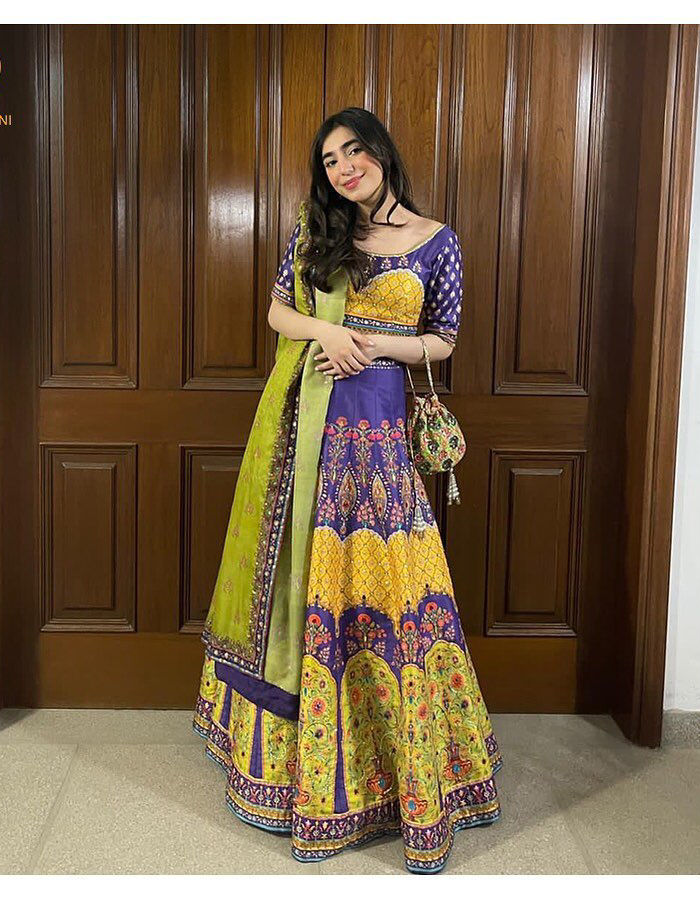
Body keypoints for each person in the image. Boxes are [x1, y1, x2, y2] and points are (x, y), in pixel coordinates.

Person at [193, 106, 502, 874]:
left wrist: (366, 344)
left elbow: (443, 340)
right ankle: (290, 768)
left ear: (381, 153)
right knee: (306, 582)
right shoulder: (316, 230)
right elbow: (278, 311)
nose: (342, 168)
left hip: (380, 433)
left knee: (389, 593)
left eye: (353, 151)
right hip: (308, 429)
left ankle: (396, 766)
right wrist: (325, 333)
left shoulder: (437, 241)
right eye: (329, 160)